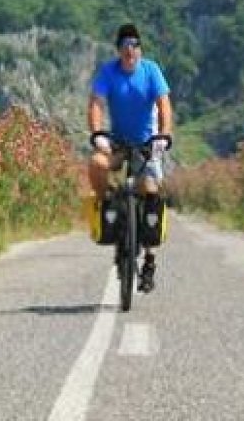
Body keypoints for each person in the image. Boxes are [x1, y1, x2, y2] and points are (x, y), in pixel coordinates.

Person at [86, 23, 174, 293]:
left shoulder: (151, 70)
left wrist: (164, 135)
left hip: (147, 144)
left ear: (140, 49)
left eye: (135, 46)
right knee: (97, 165)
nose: (130, 51)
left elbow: (164, 106)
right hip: (118, 142)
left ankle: (149, 260)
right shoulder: (108, 73)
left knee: (149, 191)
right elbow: (96, 105)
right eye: (125, 46)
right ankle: (108, 207)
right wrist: (98, 133)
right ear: (118, 50)